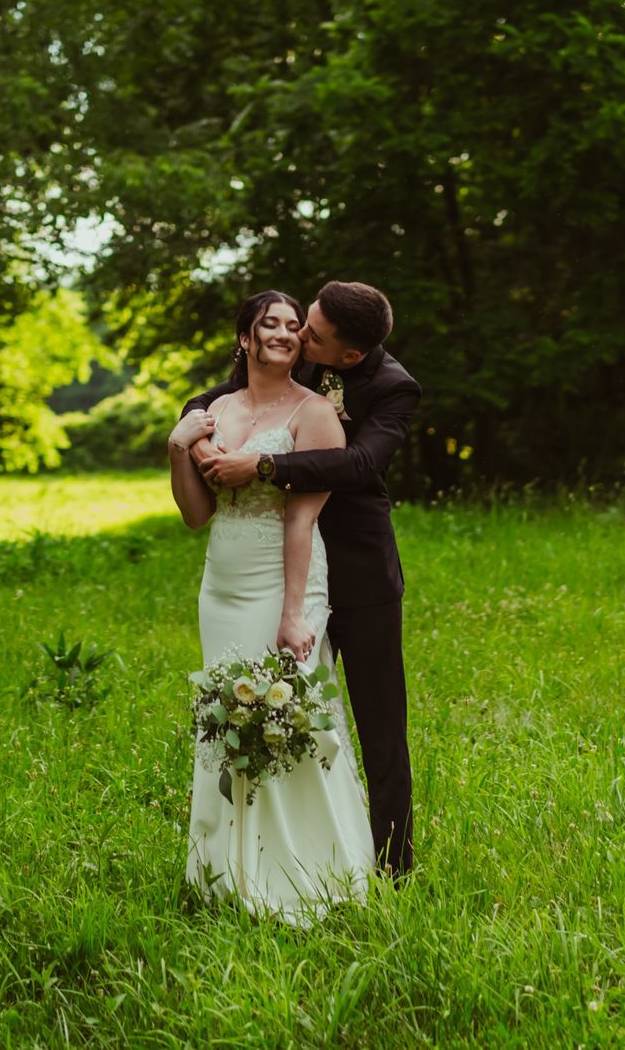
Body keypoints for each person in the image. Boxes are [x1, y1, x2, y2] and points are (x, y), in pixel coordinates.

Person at [182, 280, 420, 877]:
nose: (298, 336)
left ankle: (392, 864)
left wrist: (260, 464)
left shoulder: (394, 388)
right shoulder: (299, 353)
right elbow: (231, 387)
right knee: (264, 709)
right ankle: (260, 858)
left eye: (311, 333)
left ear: (348, 357)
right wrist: (191, 421)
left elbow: (360, 464)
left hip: (356, 569)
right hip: (266, 566)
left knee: (377, 721)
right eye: (300, 323)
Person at [167, 290, 371, 921]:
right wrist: (178, 449)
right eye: (270, 325)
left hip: (284, 586)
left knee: (291, 725)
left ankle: (306, 875)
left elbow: (301, 524)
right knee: (226, 726)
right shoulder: (215, 412)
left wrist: (293, 614)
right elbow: (197, 515)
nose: (284, 334)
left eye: (292, 326)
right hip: (220, 589)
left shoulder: (316, 415)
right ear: (245, 338)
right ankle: (226, 873)